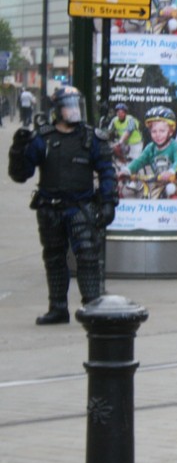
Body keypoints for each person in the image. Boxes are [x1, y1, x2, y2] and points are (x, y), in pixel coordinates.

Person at [7, 86, 118, 324]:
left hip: (81, 206)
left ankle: (92, 304)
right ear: (57, 110)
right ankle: (58, 307)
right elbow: (21, 174)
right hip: (50, 207)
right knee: (54, 257)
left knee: (88, 255)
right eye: (68, 106)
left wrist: (108, 202)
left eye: (76, 105)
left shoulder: (91, 138)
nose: (73, 111)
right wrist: (18, 150)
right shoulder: (43, 139)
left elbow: (108, 172)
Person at [120, 106, 177, 198]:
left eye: (162, 131)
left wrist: (171, 171)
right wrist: (127, 170)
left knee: (171, 190)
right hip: (158, 180)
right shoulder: (150, 148)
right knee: (152, 199)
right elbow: (139, 160)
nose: (158, 135)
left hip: (176, 180)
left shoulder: (174, 146)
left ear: (170, 132)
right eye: (154, 131)